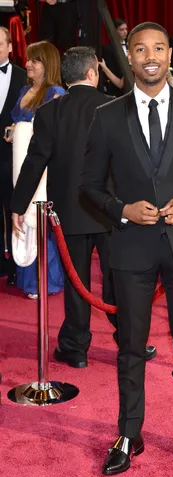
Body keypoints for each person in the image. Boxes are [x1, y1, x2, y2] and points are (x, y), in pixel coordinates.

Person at [80, 22, 173, 476]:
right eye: (140, 48)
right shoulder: (106, 116)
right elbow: (88, 186)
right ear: (128, 54)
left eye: (158, 48)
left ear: (168, 54)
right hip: (130, 249)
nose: (150, 56)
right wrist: (122, 209)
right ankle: (129, 432)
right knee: (129, 345)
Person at [11, 46, 156, 367]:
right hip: (113, 212)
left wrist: (17, 206)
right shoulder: (117, 107)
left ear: (67, 76)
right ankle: (131, 343)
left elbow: (34, 164)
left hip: (69, 215)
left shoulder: (49, 113)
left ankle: (75, 349)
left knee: (77, 283)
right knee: (120, 278)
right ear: (92, 73)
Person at [5, 40, 65, 299]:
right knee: (24, 219)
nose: (28, 64)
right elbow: (16, 123)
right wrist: (12, 131)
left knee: (40, 221)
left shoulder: (56, 94)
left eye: (35, 60)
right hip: (21, 165)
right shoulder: (23, 90)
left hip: (46, 171)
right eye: (29, 59)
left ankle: (47, 280)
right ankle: (27, 276)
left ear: (47, 64)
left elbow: (60, 136)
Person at [0, 27, 26, 285]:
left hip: (13, 157)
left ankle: (17, 265)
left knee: (14, 210)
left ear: (9, 47)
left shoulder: (23, 77)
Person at [102, 18, 128, 97]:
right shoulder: (108, 48)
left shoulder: (130, 46)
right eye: (121, 30)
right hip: (116, 87)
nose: (125, 32)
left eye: (126, 29)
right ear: (115, 31)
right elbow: (111, 68)